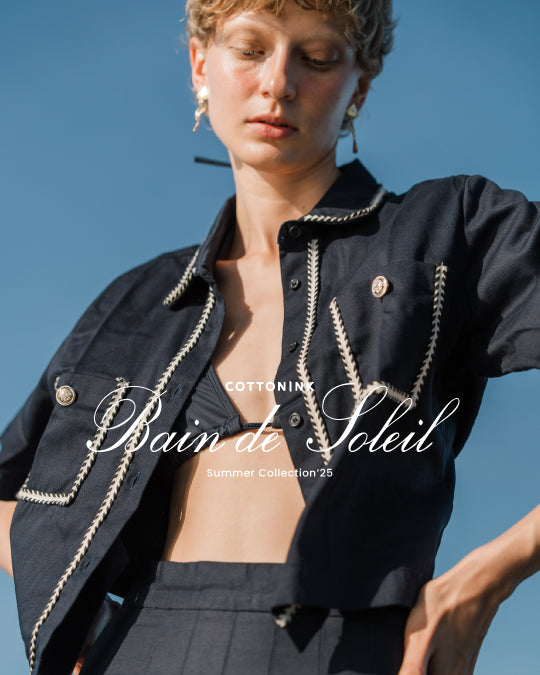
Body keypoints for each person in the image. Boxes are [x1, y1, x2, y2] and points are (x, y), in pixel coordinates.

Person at [0, 0, 539, 673]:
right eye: (251, 49)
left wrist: (490, 574)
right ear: (201, 64)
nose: (278, 83)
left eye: (317, 57)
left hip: (356, 649)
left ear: (360, 84)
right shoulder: (137, 304)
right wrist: (79, 614)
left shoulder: (447, 231)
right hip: (141, 644)